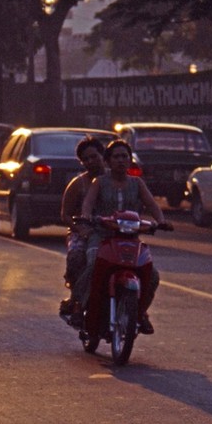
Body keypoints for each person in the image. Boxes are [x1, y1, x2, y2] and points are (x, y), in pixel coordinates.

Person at [77, 137, 170, 333]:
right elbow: (88, 203)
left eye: (124, 156)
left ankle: (140, 313)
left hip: (130, 239)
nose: (121, 160)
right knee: (94, 264)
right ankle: (79, 306)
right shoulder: (99, 182)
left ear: (130, 160)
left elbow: (152, 204)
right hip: (101, 237)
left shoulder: (137, 183)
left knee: (151, 275)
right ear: (108, 161)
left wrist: (160, 220)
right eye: (116, 157)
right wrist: (86, 216)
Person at [59, 136, 106, 318]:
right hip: (83, 233)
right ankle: (76, 300)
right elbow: (65, 215)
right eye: (86, 159)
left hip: (111, 231)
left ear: (102, 155)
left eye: (94, 156)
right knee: (77, 258)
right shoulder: (78, 184)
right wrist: (81, 229)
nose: (90, 161)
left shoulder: (115, 180)